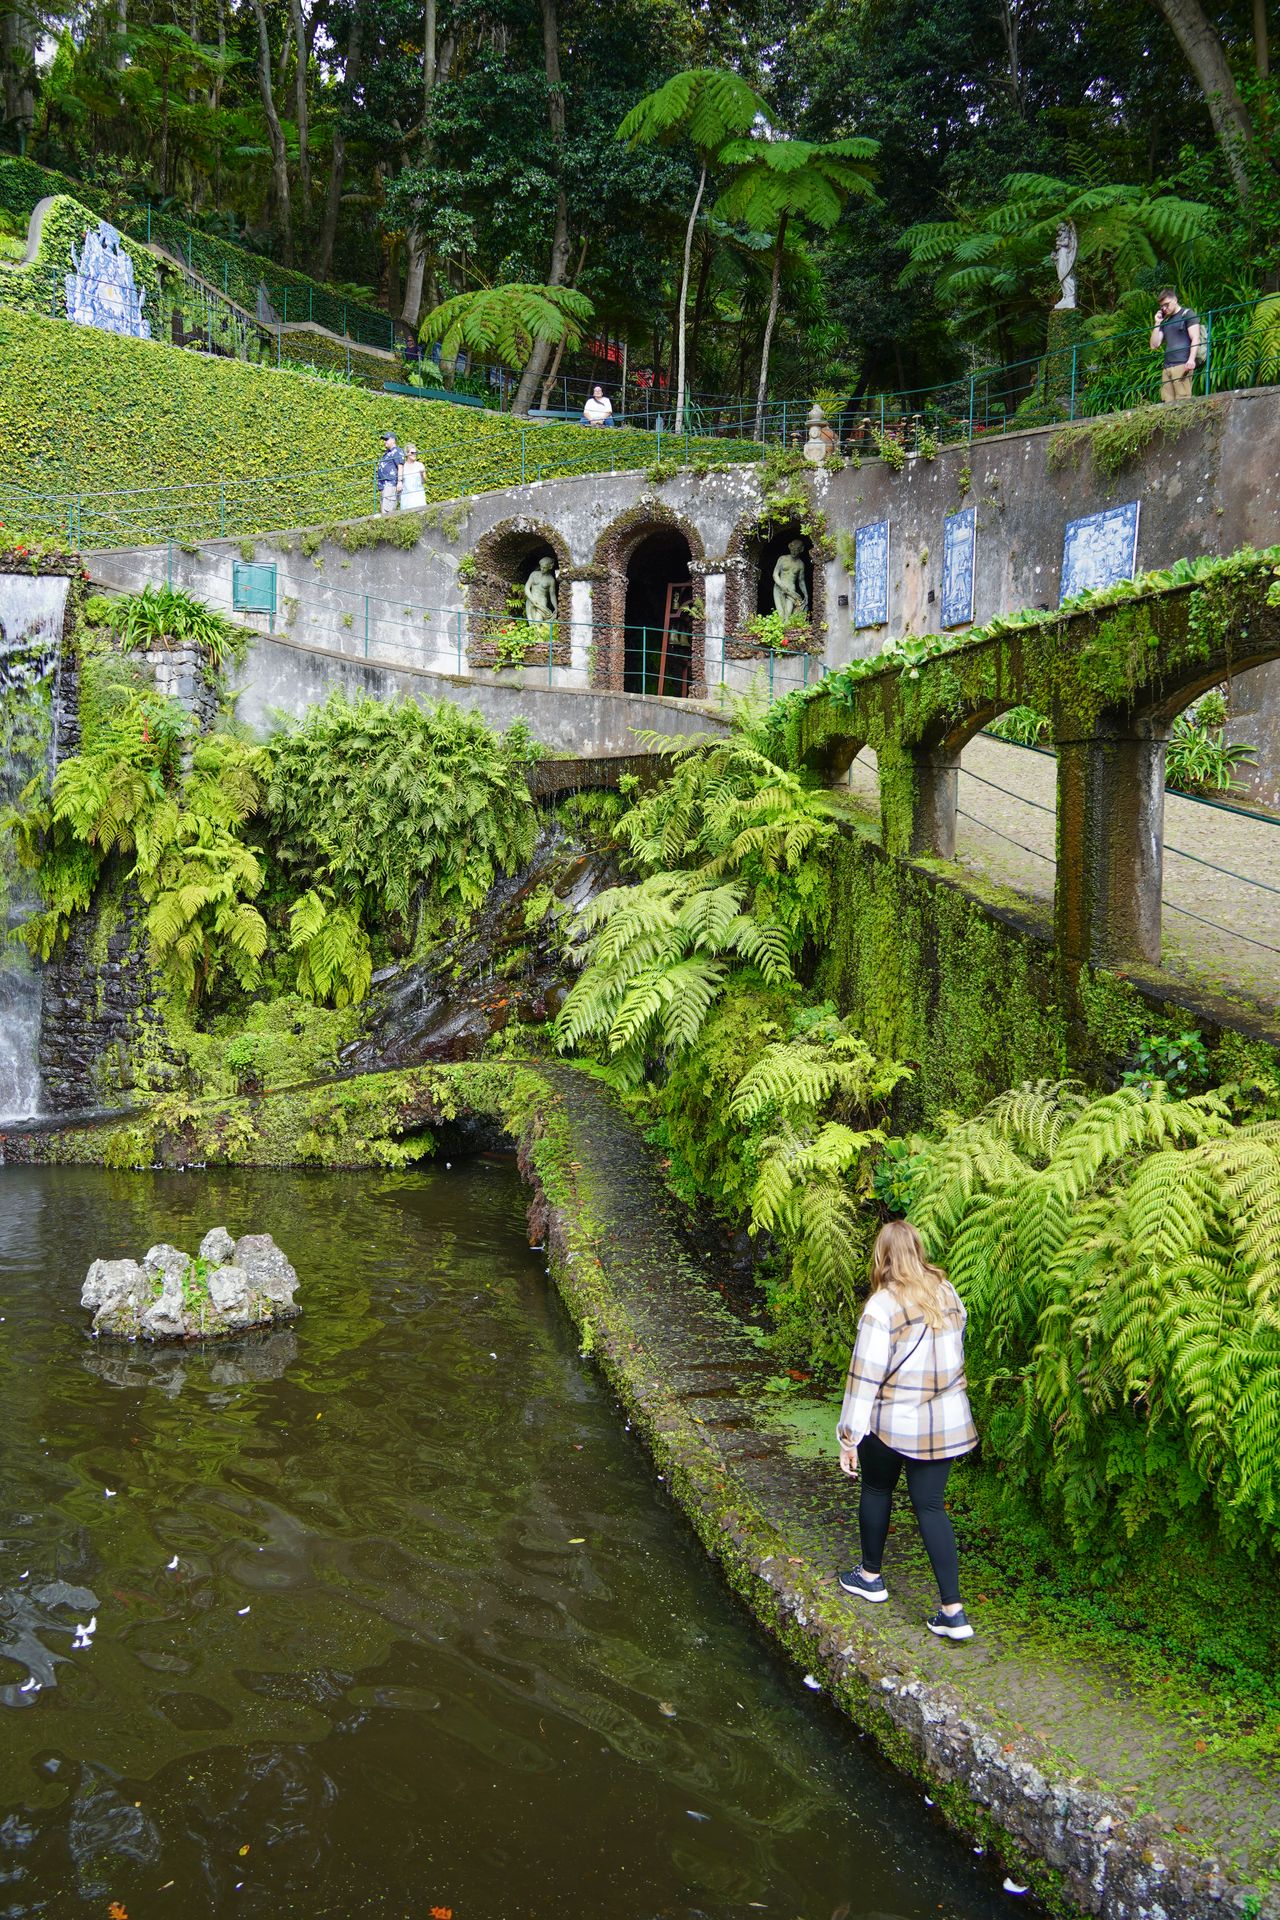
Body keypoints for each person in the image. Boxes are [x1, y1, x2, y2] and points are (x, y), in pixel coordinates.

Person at [835, 1219, 978, 1640]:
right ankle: (953, 1612)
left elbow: (863, 1380)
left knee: (877, 1489)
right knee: (931, 1506)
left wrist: (849, 1438)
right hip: (946, 1421)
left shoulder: (882, 1307)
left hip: (894, 1422)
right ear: (918, 1249)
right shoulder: (947, 1292)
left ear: (881, 1257)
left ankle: (870, 1577)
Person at [1150, 289, 1201, 405]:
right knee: (1168, 405)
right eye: (1162, 306)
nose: (1164, 308)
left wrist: (1191, 359)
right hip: (1167, 368)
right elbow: (1154, 345)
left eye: (1166, 304)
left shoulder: (1187, 314)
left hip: (1183, 365)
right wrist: (1157, 323)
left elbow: (1195, 338)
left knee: (1183, 403)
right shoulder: (1165, 321)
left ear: (1175, 300)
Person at [376, 432, 404, 514]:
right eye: (384, 439)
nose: (385, 441)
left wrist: (399, 482)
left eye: (386, 439)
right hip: (384, 486)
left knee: (388, 511)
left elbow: (400, 466)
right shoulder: (387, 453)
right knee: (384, 510)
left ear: (393, 440)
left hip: (390, 485)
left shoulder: (397, 451)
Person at [398, 443, 426, 512]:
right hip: (406, 497)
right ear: (407, 453)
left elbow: (424, 481)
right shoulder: (403, 467)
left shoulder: (420, 465)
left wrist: (422, 474)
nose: (414, 454)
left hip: (418, 496)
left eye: (415, 452)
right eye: (412, 452)